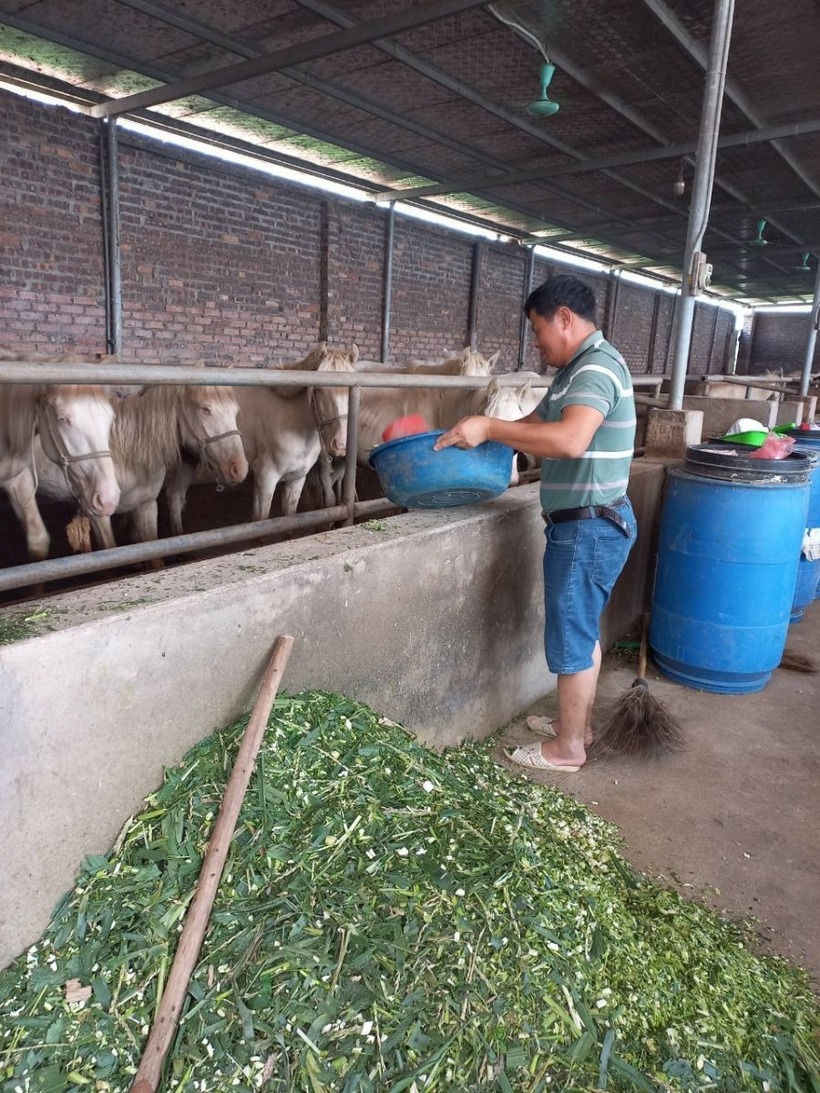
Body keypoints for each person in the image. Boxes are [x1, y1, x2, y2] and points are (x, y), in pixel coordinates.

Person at [434, 274, 637, 772]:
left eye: (539, 329)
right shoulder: (576, 371)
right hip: (589, 521)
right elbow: (531, 428)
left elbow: (569, 440)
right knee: (582, 631)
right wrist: (481, 434)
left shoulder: (595, 371)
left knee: (570, 637)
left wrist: (488, 426)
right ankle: (578, 727)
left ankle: (567, 749)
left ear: (564, 318)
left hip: (587, 527)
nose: (538, 343)